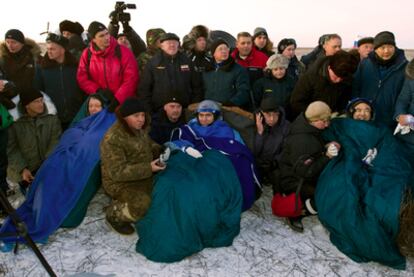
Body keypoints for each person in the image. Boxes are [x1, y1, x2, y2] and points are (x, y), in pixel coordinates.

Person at [170, 100, 260, 211]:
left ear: (215, 116)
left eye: (208, 115)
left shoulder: (226, 130)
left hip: (220, 163)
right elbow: (179, 142)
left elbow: (237, 148)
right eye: (201, 115)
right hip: (199, 159)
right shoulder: (190, 128)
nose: (204, 119)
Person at [100, 97, 164, 235]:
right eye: (136, 116)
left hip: (142, 174)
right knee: (142, 206)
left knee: (163, 194)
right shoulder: (112, 139)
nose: (141, 119)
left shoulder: (138, 128)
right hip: (119, 183)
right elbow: (117, 172)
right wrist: (148, 168)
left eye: (142, 115)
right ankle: (115, 214)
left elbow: (148, 143)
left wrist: (160, 150)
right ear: (124, 117)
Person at [278, 101, 339, 232]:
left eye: (328, 120)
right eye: (324, 121)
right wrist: (327, 156)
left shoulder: (306, 126)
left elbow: (312, 152)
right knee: (326, 195)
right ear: (314, 120)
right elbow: (306, 171)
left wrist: (325, 147)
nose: (327, 124)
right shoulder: (303, 140)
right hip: (294, 180)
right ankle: (299, 212)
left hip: (298, 172)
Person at [7, 88, 61, 193]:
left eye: (41, 100)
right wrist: (22, 169)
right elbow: (11, 149)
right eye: (36, 102)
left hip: (47, 165)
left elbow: (55, 140)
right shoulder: (15, 123)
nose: (41, 104)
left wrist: (47, 162)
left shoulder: (51, 118)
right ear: (27, 105)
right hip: (25, 171)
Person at [77, 21, 139, 111]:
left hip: (124, 104)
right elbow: (82, 78)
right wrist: (98, 91)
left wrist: (118, 99)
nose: (107, 38)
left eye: (107, 34)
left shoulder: (123, 52)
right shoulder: (87, 54)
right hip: (100, 104)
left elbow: (132, 78)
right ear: (93, 39)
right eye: (101, 36)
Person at [353, 31, 408, 128]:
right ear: (376, 49)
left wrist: (399, 114)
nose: (386, 51)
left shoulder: (404, 67)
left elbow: (406, 96)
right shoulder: (365, 64)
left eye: (390, 47)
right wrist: (356, 106)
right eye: (382, 47)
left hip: (390, 120)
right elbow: (355, 87)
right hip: (365, 117)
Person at [138, 32, 203, 113]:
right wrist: (149, 111)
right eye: (168, 43)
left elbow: (197, 86)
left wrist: (193, 106)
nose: (172, 45)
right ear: (162, 46)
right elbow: (144, 89)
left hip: (184, 110)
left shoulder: (187, 62)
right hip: (159, 111)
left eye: (174, 43)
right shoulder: (153, 63)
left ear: (178, 45)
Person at [34, 33, 84, 130]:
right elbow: (38, 91)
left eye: (52, 49)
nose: (49, 52)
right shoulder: (42, 68)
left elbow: (83, 89)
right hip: (53, 118)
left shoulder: (76, 66)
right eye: (48, 49)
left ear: (63, 49)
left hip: (76, 116)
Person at [290, 50, 359, 117]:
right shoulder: (310, 77)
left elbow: (344, 101)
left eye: (341, 79)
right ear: (329, 68)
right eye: (335, 77)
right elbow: (296, 102)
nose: (338, 81)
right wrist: (315, 116)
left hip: (333, 117)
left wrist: (340, 113)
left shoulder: (347, 77)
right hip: (310, 118)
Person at [254, 96, 290, 193]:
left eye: (275, 115)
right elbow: (255, 150)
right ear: (261, 114)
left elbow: (286, 150)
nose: (271, 119)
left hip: (275, 165)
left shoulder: (286, 127)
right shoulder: (256, 124)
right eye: (267, 115)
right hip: (259, 163)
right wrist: (260, 133)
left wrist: (274, 162)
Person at [202, 38, 250, 108]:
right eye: (220, 49)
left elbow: (244, 92)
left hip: (230, 109)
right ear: (213, 53)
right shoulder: (207, 70)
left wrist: (230, 103)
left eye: (226, 48)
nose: (224, 51)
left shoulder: (239, 70)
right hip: (208, 109)